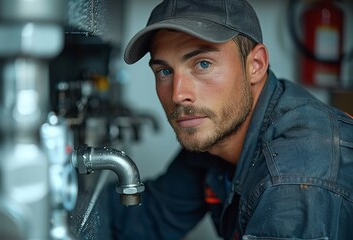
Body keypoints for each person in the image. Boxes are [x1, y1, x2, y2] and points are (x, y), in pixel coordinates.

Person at [108, 0, 353, 239]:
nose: (178, 94)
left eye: (203, 64)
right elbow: (146, 220)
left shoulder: (293, 178)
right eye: (165, 71)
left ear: (255, 65)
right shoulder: (217, 134)